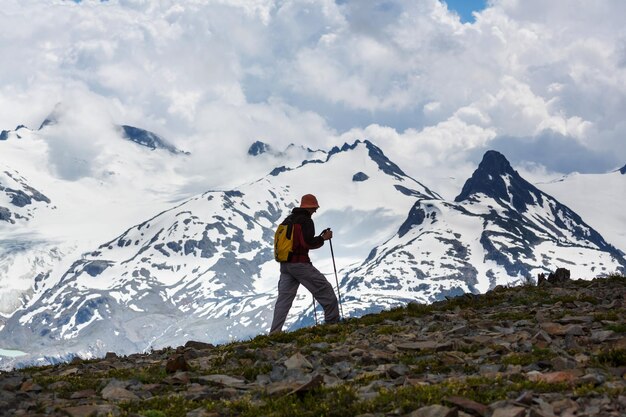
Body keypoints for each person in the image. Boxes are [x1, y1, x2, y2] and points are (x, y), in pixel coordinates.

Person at [269, 194, 340, 333]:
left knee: (283, 301)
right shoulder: (306, 221)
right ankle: (333, 325)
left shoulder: (287, 220)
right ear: (311, 207)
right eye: (314, 208)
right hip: (300, 264)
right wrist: (323, 238)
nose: (315, 211)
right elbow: (307, 243)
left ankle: (274, 333)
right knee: (326, 291)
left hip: (285, 266)